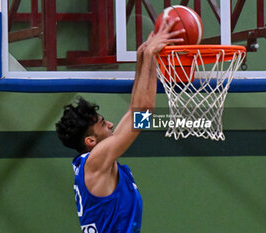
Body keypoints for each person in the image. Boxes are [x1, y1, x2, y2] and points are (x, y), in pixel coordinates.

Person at [55, 17, 185, 233]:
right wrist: (150, 55)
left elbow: (137, 109)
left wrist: (144, 58)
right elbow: (142, 114)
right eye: (103, 124)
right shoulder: (96, 161)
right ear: (90, 141)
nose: (111, 124)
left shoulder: (97, 162)